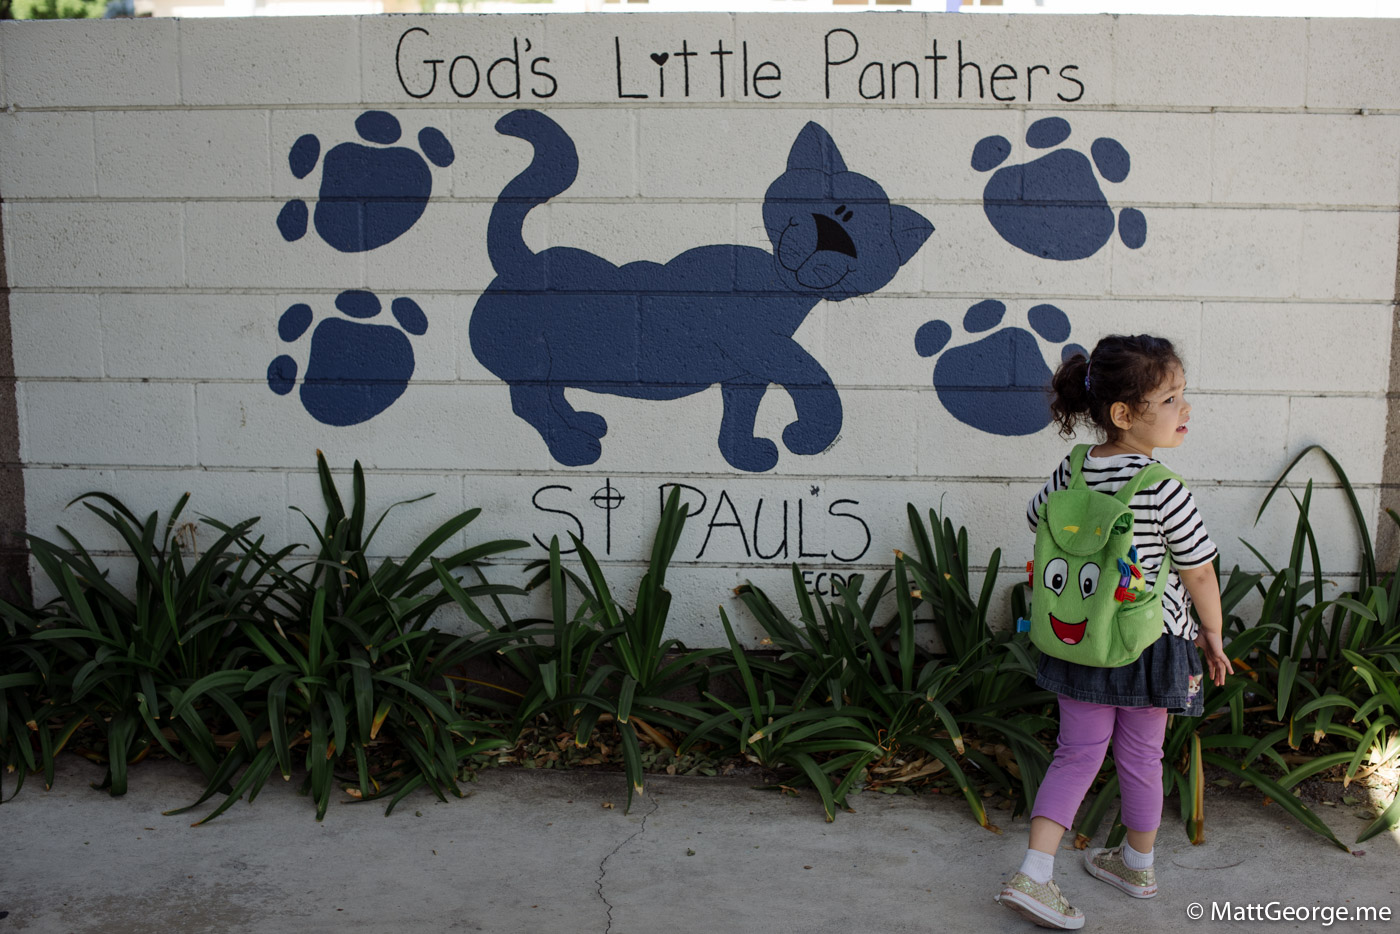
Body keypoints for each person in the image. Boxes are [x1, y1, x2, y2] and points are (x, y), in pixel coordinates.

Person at [995, 334, 1233, 930]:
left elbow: (1034, 517)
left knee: (1075, 753)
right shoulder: (1164, 489)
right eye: (1172, 399)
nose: (1186, 410)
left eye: (1184, 396)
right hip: (1150, 644)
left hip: (1080, 639)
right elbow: (1199, 571)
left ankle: (1036, 872)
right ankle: (1137, 864)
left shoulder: (1072, 470)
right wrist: (1214, 634)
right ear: (1125, 414)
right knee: (1142, 756)